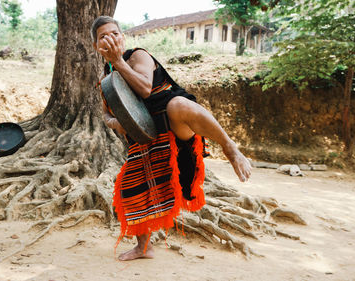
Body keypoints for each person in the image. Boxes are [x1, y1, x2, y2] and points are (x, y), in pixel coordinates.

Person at [91, 16, 252, 261]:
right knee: (130, 186)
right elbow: (105, 114)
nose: (110, 39)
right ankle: (143, 247)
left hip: (173, 124)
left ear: (122, 38)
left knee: (177, 105)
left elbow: (145, 88)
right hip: (145, 137)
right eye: (103, 36)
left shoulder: (138, 56)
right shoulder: (105, 79)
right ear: (96, 46)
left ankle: (230, 148)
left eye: (114, 33)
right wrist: (117, 122)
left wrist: (118, 62)